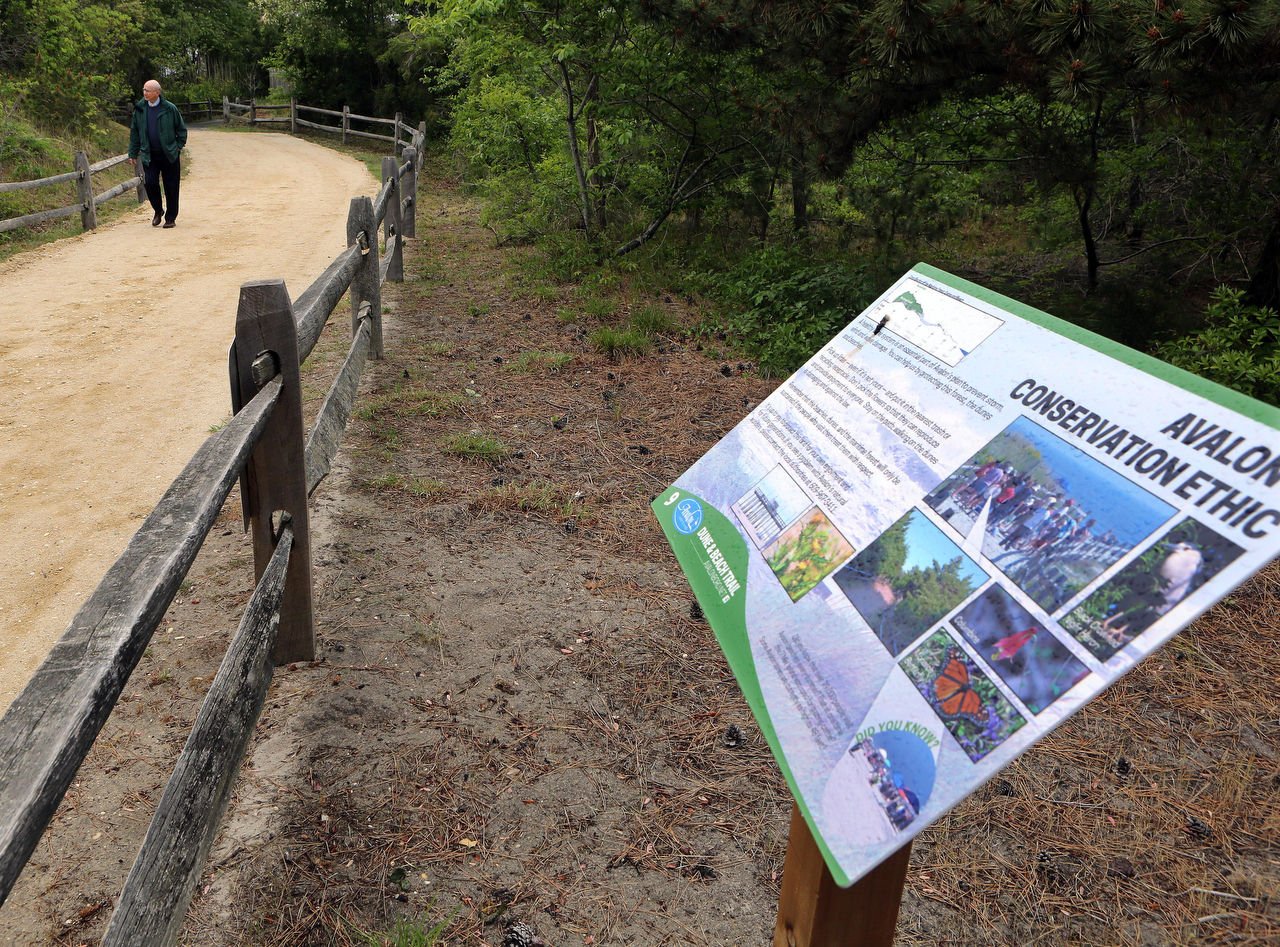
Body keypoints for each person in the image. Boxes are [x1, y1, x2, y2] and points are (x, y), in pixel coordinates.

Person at [128, 80, 187, 228]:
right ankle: (158, 210)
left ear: (157, 92)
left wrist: (178, 146)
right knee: (150, 183)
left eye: (148, 90)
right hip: (150, 154)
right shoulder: (140, 109)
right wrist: (133, 153)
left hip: (169, 154)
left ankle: (171, 218)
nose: (144, 93)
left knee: (171, 186)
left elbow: (181, 129)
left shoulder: (169, 108)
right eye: (144, 90)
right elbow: (135, 132)